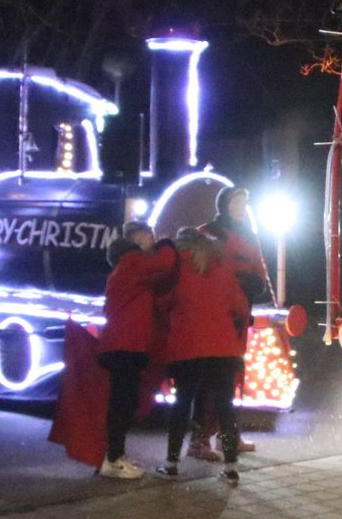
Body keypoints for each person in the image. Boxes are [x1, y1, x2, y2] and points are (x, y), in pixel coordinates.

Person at [155, 227, 251, 485]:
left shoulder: (177, 271)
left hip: (187, 349)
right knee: (224, 408)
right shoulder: (222, 270)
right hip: (223, 350)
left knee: (181, 405)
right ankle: (231, 468)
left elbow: (162, 303)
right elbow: (240, 307)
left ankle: (171, 464)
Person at [189, 186, 273, 461]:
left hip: (239, 316)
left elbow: (261, 272)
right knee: (208, 377)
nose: (241, 208)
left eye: (244, 203)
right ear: (224, 205)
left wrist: (256, 284)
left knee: (233, 376)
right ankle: (199, 438)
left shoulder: (249, 235)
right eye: (237, 202)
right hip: (215, 316)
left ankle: (229, 435)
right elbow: (201, 268)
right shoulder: (209, 232)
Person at [94, 221, 175, 479]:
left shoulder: (126, 268)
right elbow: (164, 264)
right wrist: (166, 244)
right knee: (123, 403)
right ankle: (113, 459)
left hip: (124, 344)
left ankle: (115, 455)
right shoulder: (132, 262)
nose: (152, 240)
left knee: (124, 402)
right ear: (138, 239)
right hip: (125, 346)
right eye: (149, 236)